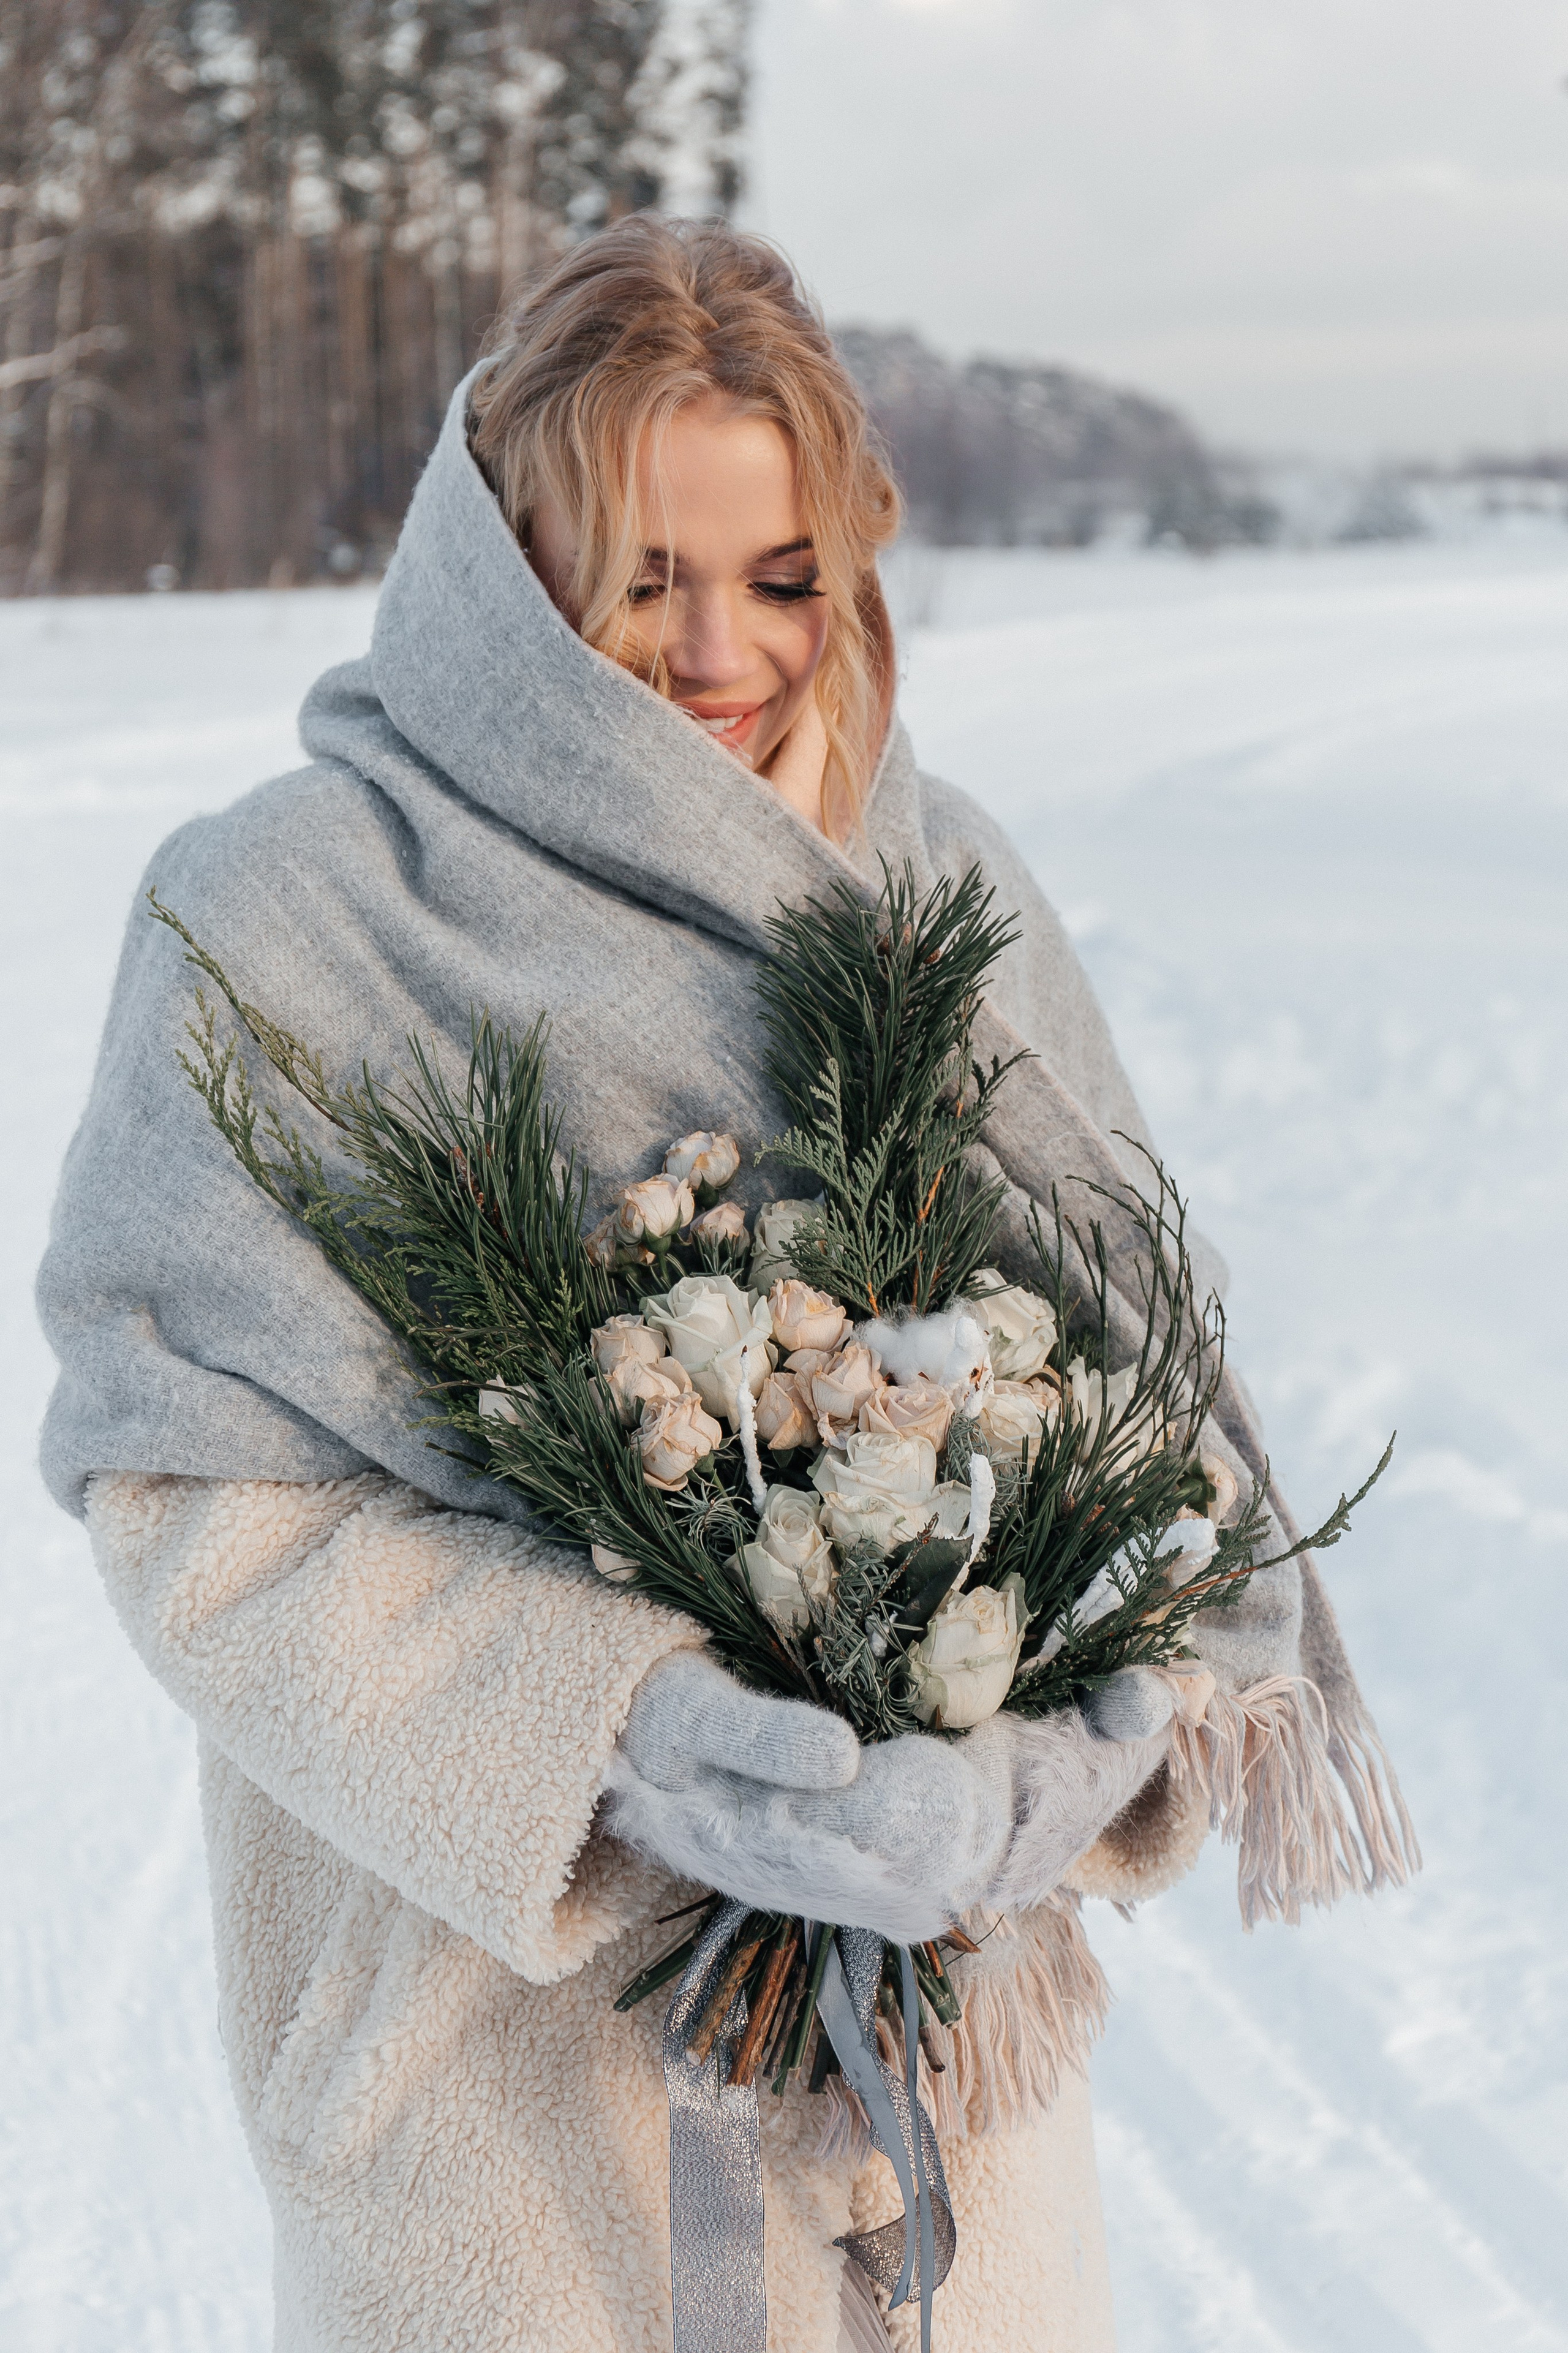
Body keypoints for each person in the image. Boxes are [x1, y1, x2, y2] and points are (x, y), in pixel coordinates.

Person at [37, 217, 1414, 2353]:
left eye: (780, 577)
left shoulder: (938, 877)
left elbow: (1138, 1385)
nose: (722, 652)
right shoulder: (288, 917)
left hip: (941, 2124)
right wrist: (632, 1737)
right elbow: (196, 1504)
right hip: (500, 2120)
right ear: (511, 578)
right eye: (644, 579)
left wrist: (1080, 1727)